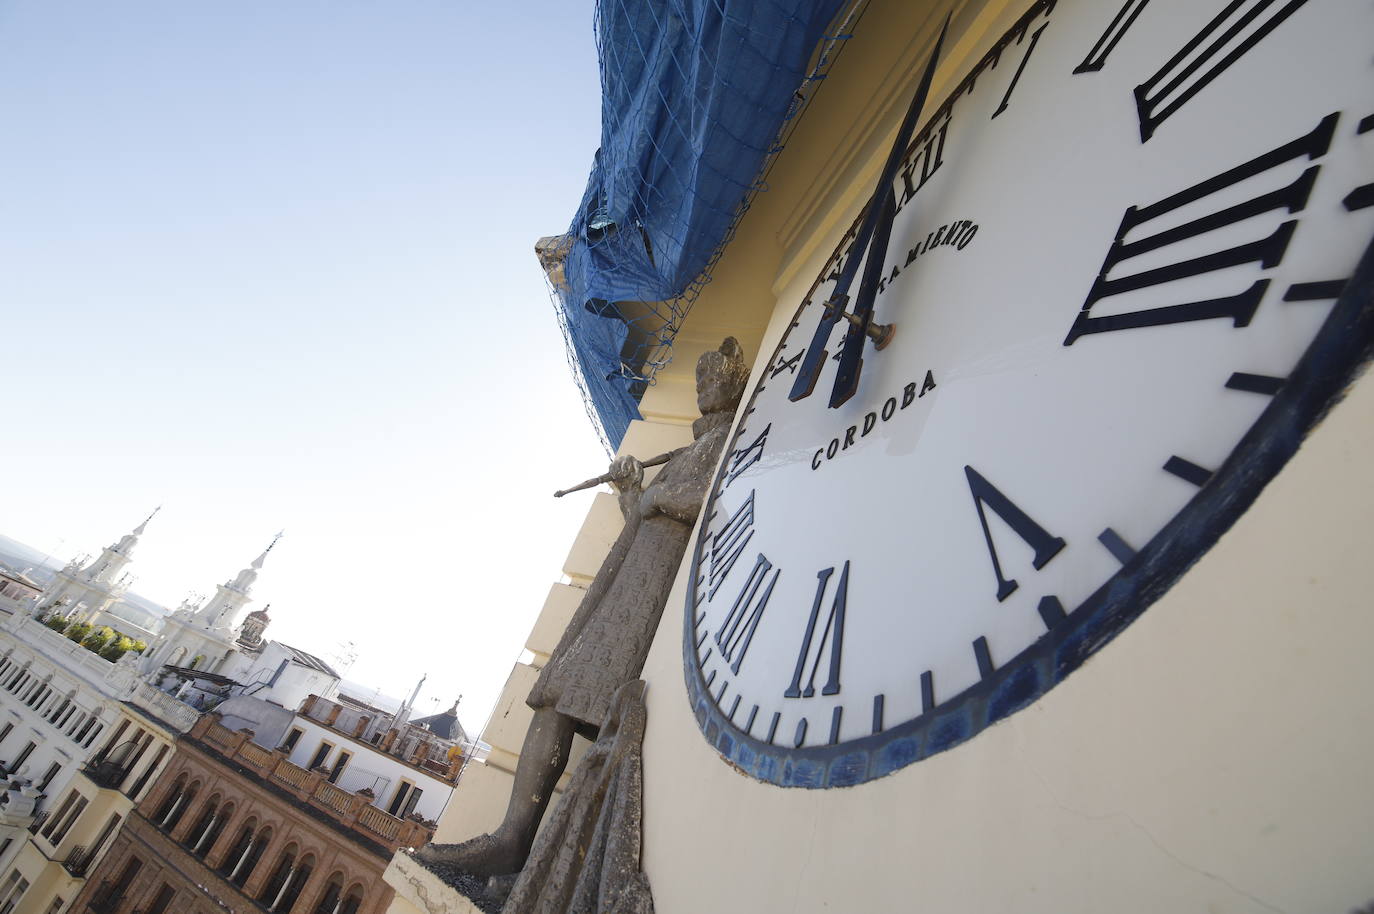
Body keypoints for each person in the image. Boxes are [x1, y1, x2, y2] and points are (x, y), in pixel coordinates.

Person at [415, 337, 748, 878]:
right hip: (627, 590)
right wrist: (633, 490)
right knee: (559, 698)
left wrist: (661, 497)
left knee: (569, 702)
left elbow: (715, 500)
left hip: (649, 600)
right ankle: (516, 849)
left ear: (735, 384)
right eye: (701, 379)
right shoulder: (693, 447)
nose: (705, 387)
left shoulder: (729, 440)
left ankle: (520, 847)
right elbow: (645, 517)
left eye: (715, 379)